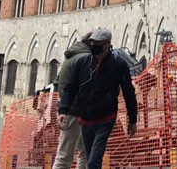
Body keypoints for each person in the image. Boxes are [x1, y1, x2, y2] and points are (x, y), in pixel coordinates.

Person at [57, 27, 138, 169]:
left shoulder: (118, 64)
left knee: (94, 160)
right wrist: (63, 110)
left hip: (105, 118)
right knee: (89, 159)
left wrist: (132, 119)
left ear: (107, 45)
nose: (95, 47)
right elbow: (71, 87)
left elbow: (128, 92)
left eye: (98, 44)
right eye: (92, 44)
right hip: (85, 118)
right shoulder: (82, 63)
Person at [52, 32, 91, 169]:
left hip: (71, 110)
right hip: (75, 111)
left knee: (84, 153)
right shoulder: (85, 58)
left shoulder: (70, 58)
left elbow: (56, 83)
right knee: (66, 156)